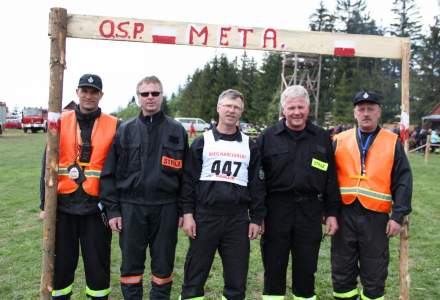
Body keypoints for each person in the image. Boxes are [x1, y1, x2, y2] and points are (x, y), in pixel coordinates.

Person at [100, 76, 188, 300]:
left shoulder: (177, 130)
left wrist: (183, 210)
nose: (150, 98)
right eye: (145, 94)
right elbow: (109, 174)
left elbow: (186, 177)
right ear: (138, 97)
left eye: (155, 93)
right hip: (131, 208)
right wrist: (113, 211)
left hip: (166, 208)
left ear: (162, 96)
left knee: (163, 267)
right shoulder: (124, 130)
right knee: (131, 268)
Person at [179, 89, 266, 300]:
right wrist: (188, 214)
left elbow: (257, 185)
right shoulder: (202, 142)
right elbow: (188, 181)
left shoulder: (249, 145)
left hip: (237, 219)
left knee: (236, 282)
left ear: (241, 112)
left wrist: (255, 218)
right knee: (194, 278)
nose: (231, 110)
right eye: (228, 105)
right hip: (205, 217)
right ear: (219, 108)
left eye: (236, 107)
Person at [258, 85, 340, 299]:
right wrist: (258, 215)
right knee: (274, 270)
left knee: (306, 271)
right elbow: (257, 180)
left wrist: (331, 212)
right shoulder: (267, 137)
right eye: (291, 107)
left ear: (308, 108)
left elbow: (331, 178)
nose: (296, 112)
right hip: (276, 211)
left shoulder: (322, 138)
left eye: (300, 107)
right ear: (283, 109)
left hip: (310, 211)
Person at [39, 74, 117, 299]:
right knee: (61, 267)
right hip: (63, 208)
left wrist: (114, 209)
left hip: (96, 209)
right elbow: (47, 165)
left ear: (101, 95)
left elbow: (118, 171)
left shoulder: (114, 125)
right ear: (77, 92)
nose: (88, 95)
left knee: (98, 267)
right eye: (84, 90)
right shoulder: (60, 121)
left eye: (94, 92)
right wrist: (45, 205)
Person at [331, 91, 412, 300]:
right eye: (361, 109)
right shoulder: (339, 140)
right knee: (341, 270)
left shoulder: (392, 141)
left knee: (374, 273)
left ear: (379, 112)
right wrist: (327, 211)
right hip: (344, 214)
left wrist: (398, 216)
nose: (365, 113)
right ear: (354, 113)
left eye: (370, 109)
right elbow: (328, 180)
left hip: (376, 218)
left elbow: (403, 181)